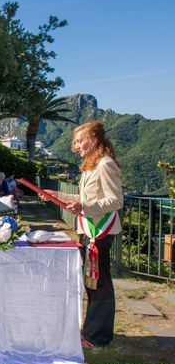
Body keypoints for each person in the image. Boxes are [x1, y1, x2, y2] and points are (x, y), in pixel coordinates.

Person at [42, 121, 123, 348]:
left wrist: (84, 208)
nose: (76, 146)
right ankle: (90, 332)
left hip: (100, 234)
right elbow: (83, 200)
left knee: (100, 286)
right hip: (88, 231)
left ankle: (98, 337)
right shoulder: (91, 166)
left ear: (95, 140)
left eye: (80, 140)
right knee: (92, 285)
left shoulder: (105, 164)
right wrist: (55, 194)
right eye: (75, 142)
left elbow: (115, 201)